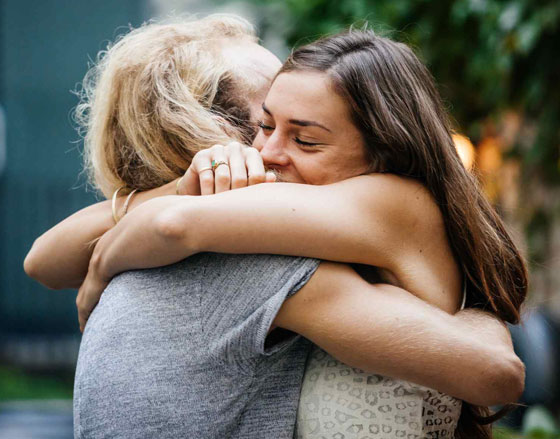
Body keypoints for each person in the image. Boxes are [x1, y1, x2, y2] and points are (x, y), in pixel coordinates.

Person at [24, 18, 524, 438]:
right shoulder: (264, 247)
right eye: (264, 124)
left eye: (305, 138)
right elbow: (45, 259)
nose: (266, 152)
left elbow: (170, 224)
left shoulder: (376, 205)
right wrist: (183, 186)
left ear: (384, 148)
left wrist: (102, 265)